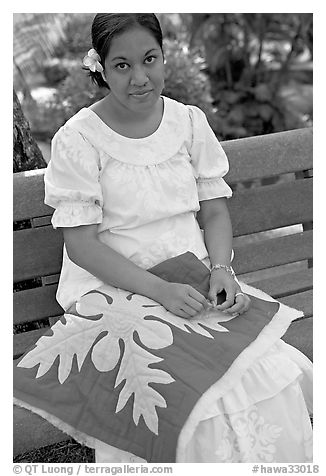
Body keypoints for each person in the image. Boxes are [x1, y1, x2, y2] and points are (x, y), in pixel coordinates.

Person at [13, 13, 313, 463]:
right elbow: (83, 245)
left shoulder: (188, 123)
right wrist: (160, 291)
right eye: (122, 65)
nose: (140, 78)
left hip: (192, 277)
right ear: (100, 67)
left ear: (164, 56)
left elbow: (213, 210)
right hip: (114, 290)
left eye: (149, 59)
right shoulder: (79, 139)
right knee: (196, 405)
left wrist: (221, 269)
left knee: (274, 374)